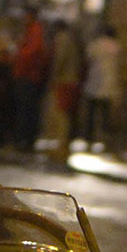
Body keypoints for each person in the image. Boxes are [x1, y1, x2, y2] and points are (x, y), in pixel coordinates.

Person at [9, 11, 52, 152]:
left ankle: (23, 140)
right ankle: (25, 139)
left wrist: (18, 61)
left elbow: (30, 53)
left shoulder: (35, 31)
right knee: (27, 109)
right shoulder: (34, 31)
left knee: (26, 110)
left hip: (29, 76)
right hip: (30, 76)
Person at [75, 21, 121, 150]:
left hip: (94, 83)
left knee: (91, 114)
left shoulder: (96, 45)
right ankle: (105, 140)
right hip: (109, 86)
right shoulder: (115, 46)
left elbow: (88, 57)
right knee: (105, 116)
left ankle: (89, 139)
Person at [47, 17, 85, 152]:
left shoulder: (62, 39)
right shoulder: (72, 39)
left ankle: (61, 144)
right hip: (72, 80)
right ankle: (62, 143)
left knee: (62, 113)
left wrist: (54, 77)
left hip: (64, 80)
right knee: (66, 113)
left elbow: (60, 59)